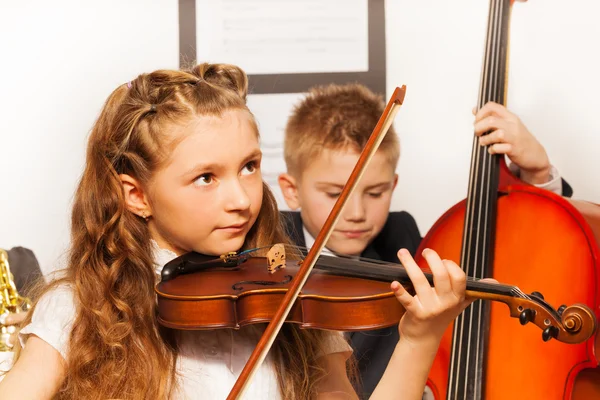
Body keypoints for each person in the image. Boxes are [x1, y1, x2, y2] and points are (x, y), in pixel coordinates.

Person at [0, 63, 479, 400]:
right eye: (206, 177)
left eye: (249, 167)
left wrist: (420, 336)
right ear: (136, 194)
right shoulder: (81, 307)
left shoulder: (290, 299)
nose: (241, 199)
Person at [277, 83, 572, 398]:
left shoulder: (402, 240)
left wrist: (539, 176)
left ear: (394, 184)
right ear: (291, 191)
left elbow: (513, 260)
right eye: (335, 194)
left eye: (376, 192)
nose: (357, 212)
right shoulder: (270, 247)